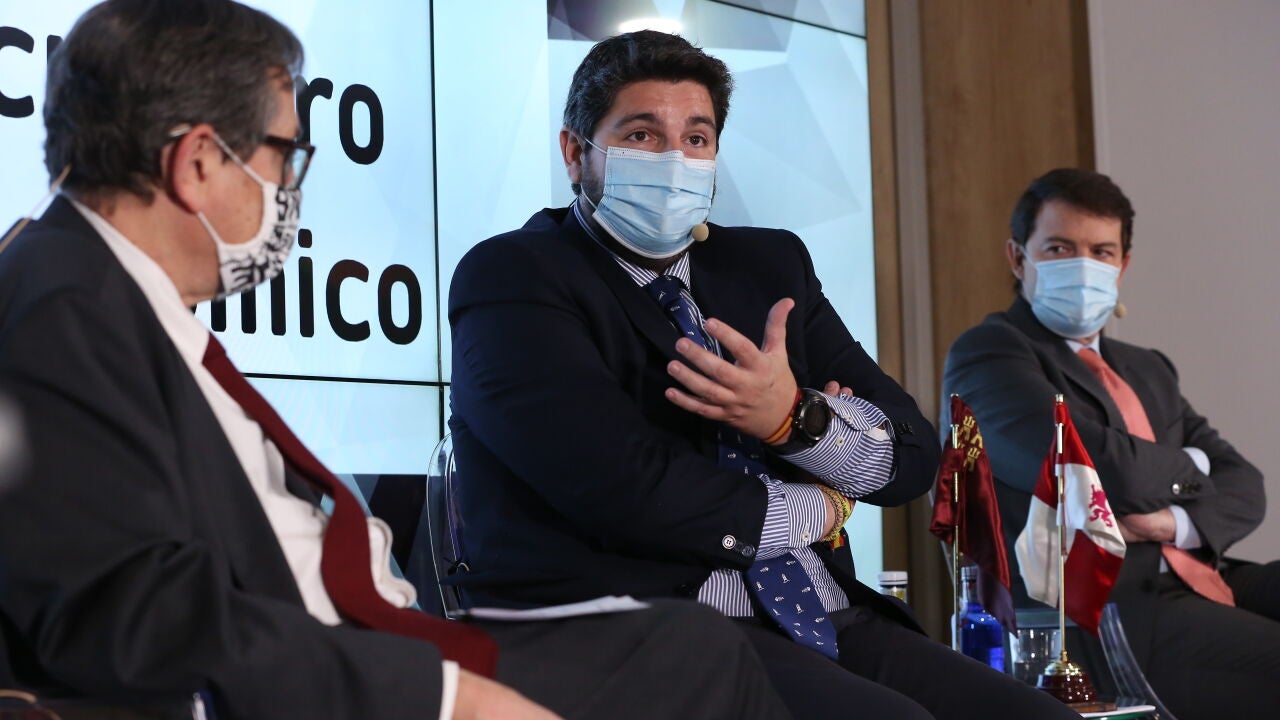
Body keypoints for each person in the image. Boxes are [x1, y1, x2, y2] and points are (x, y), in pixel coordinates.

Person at [0, 3, 796, 719]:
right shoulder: (63, 306)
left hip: (368, 638)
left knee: (689, 645)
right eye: (284, 157)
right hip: (332, 672)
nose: (288, 193)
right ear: (199, 162)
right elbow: (129, 613)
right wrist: (442, 697)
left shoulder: (105, 295)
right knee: (699, 661)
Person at [448, 30, 1080, 720]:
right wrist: (820, 504)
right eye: (641, 135)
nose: (675, 159)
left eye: (696, 138)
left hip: (826, 612)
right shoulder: (514, 276)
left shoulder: (768, 266)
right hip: (652, 631)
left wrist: (791, 421)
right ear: (576, 153)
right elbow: (623, 486)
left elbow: (911, 455)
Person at [942, 167, 1280, 718]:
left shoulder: (1148, 369)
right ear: (1018, 258)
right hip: (1100, 610)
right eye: (1059, 248)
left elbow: (1246, 487)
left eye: (1101, 251)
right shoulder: (989, 354)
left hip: (1200, 573)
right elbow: (1102, 472)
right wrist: (1193, 464)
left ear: (1122, 265)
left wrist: (1165, 523)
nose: (1084, 266)